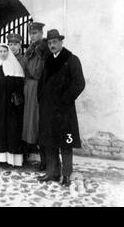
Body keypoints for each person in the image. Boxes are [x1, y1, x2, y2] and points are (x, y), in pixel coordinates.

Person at [37, 29, 85, 187]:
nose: (52, 45)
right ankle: (52, 173)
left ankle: (67, 175)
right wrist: (41, 100)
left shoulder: (71, 59)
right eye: (50, 43)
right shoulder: (48, 60)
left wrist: (65, 99)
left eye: (55, 42)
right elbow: (42, 83)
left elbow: (79, 83)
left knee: (65, 143)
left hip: (64, 111)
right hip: (49, 110)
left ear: (61, 42)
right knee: (49, 142)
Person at [21, 22, 50, 170]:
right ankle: (40, 158)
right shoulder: (30, 50)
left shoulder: (45, 50)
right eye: (31, 34)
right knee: (32, 124)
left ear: (41, 33)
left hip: (40, 89)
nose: (32, 36)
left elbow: (41, 71)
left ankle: (46, 160)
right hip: (30, 89)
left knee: (40, 124)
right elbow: (25, 69)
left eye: (35, 33)